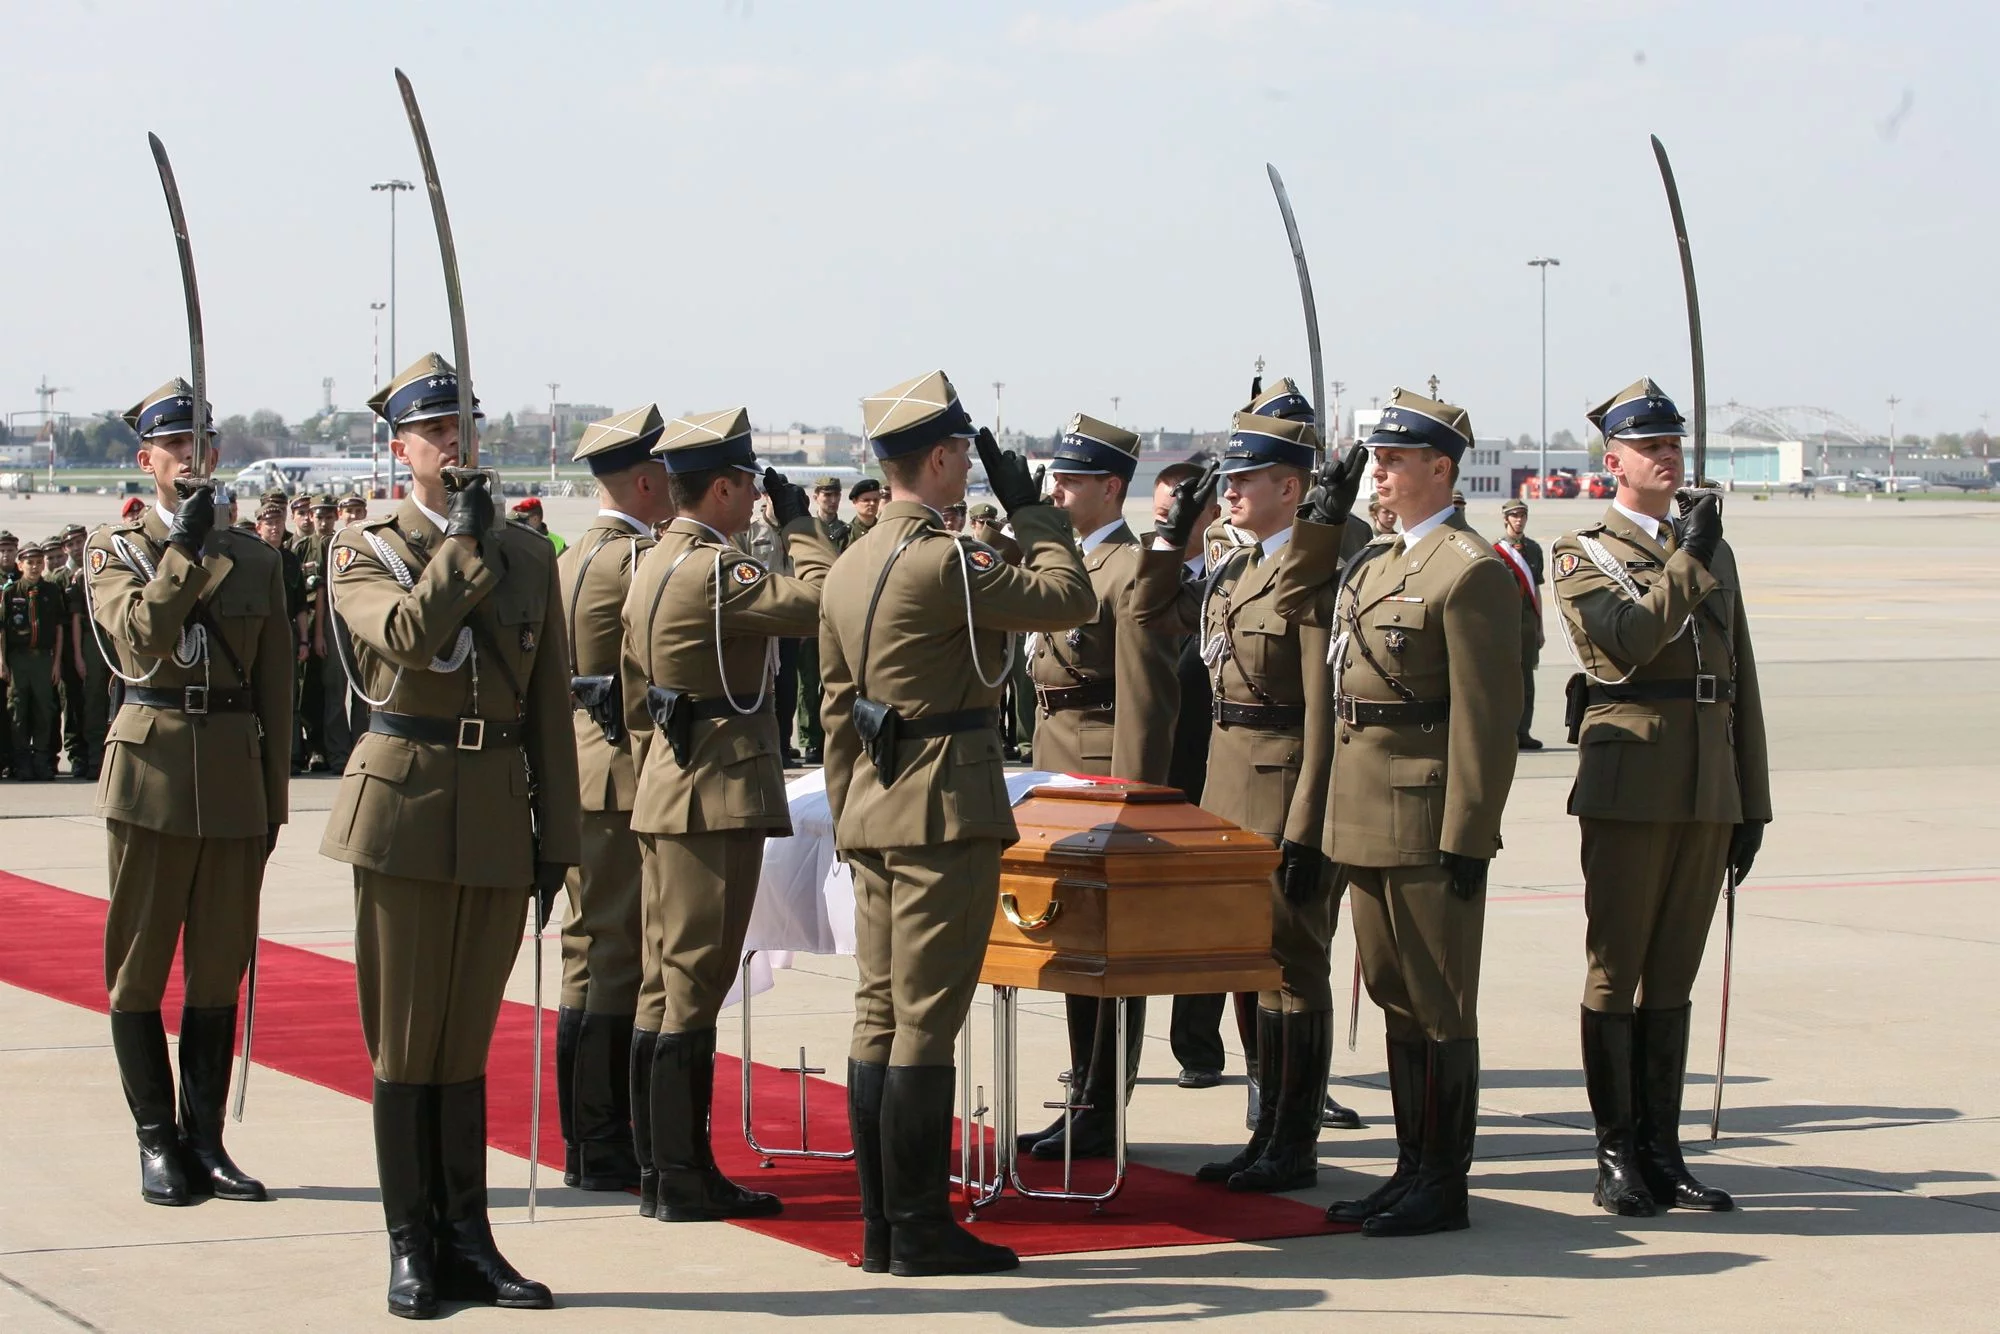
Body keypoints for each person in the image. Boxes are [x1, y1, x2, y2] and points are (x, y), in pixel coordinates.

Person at [323, 353, 579, 1318]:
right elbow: (404, 641)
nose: (452, 442)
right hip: (404, 807)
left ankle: (468, 1238)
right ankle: (410, 1243)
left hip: (493, 810)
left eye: (463, 426)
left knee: (465, 1042)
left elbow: (549, 705)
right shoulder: (364, 547)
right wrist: (463, 552)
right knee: (406, 1042)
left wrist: (559, 837)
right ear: (401, 450)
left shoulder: (527, 553)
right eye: (433, 431)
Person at [821, 369, 1092, 1276]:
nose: (971, 473)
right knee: (926, 1021)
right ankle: (918, 1226)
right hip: (942, 805)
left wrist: (855, 799)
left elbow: (832, 708)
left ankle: (882, 1225)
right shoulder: (945, 559)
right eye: (966, 459)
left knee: (879, 1014)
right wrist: (1038, 516)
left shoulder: (853, 558)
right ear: (937, 460)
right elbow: (1069, 600)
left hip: (875, 805)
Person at [1272, 385, 1522, 1237]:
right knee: (1390, 993)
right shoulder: (1372, 559)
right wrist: (1321, 513)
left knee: (1439, 1000)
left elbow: (1488, 720)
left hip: (1425, 818)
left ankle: (1442, 1180)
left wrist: (1468, 832)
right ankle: (1410, 1168)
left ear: (1441, 470)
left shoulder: (1470, 569)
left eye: (1393, 460)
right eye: (1376, 459)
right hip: (1362, 814)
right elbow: (1295, 601)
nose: (1378, 472)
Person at [1133, 377, 1369, 1194]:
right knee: (1252, 966)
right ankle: (1267, 1131)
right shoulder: (1234, 570)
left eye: (1246, 477)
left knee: (1294, 969)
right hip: (1228, 791)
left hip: (1283, 794)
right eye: (1225, 478)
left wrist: (1307, 829)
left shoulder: (1320, 570)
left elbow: (1320, 714)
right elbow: (1148, 612)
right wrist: (1171, 531)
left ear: (1293, 487)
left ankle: (1291, 1141)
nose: (1228, 489)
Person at [1552, 378, 1770, 1218]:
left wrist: (1752, 799)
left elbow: (1739, 680)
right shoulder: (1584, 553)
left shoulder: (1709, 548)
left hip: (1705, 785)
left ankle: (1663, 1150)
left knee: (1674, 976)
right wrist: (1688, 558)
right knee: (1618, 972)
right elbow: (1630, 644)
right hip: (1631, 783)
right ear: (1614, 463)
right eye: (1651, 447)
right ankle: (1614, 1156)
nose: (1668, 456)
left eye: (1675, 444)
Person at [617, 409, 831, 1223]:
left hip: (670, 786)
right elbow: (819, 603)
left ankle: (657, 1169)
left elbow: (637, 699)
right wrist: (804, 525)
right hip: (714, 795)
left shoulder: (652, 562)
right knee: (696, 986)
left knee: (661, 984)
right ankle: (682, 1175)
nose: (753, 498)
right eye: (746, 484)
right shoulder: (713, 569)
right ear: (724, 486)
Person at [85, 378, 291, 1207]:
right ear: (147, 461)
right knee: (138, 969)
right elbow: (138, 636)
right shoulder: (116, 548)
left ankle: (204, 1140)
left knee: (218, 970)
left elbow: (276, 684)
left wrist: (272, 800)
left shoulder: (257, 558)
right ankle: (154, 1140)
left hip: (235, 776)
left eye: (201, 443)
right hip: (153, 774)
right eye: (174, 447)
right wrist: (185, 554)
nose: (189, 457)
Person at [1013, 415, 1179, 1163]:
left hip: (1102, 769)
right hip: (1056, 762)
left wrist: (1134, 796)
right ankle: (1081, 1095)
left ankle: (1103, 1107)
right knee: (1074, 944)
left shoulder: (1131, 569)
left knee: (1110, 950)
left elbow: (1147, 697)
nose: (1057, 490)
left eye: (1071, 480)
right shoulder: (1070, 564)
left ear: (1111, 487)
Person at [553, 406, 675, 1206]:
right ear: (641, 480)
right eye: (663, 473)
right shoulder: (634, 558)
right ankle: (602, 1140)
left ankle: (585, 1137)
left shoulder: (573, 554)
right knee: (618, 961)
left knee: (585, 954)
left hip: (578, 771)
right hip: (620, 774)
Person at [1146, 453, 1228, 1090]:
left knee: (1208, 914)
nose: (1169, 517)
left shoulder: (1231, 575)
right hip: (1147, 768)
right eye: (1162, 506)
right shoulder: (1138, 571)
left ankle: (1198, 1049)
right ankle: (1103, 1063)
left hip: (1212, 764)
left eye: (1182, 507)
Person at [739, 494, 803, 764]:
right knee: (765, 687)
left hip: (790, 621)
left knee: (788, 686)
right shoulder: (752, 530)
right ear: (766, 498)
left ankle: (784, 743)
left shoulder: (797, 532)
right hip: (763, 623)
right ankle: (767, 743)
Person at [793, 477, 848, 765]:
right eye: (826, 495)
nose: (832, 500)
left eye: (836, 494)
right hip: (812, 613)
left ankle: (832, 738)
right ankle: (810, 739)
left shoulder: (846, 532)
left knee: (834, 683)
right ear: (816, 497)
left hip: (837, 615)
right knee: (808, 683)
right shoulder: (807, 532)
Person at [4, 541, 67, 779]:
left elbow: (59, 628)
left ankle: (41, 759)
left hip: (43, 660)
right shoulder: (11, 592)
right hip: (18, 660)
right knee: (18, 710)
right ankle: (22, 762)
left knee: (45, 710)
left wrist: (57, 662)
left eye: (39, 562)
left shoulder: (51, 591)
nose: (35, 567)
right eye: (30, 562)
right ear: (20, 565)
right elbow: (1, 630)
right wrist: (2, 662)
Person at [1494, 498, 1546, 749]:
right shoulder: (1495, 551)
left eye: (1522, 515)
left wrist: (1540, 627)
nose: (1519, 520)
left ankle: (1524, 732)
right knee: (1503, 679)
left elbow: (1536, 588)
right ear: (1506, 519)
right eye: (1514, 516)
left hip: (1526, 624)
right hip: (1504, 623)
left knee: (1527, 680)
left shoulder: (1534, 550)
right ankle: (1505, 731)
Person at [844, 477, 883, 549]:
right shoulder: (845, 535)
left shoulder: (885, 530)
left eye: (875, 500)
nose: (872, 503)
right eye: (866, 500)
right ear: (854, 501)